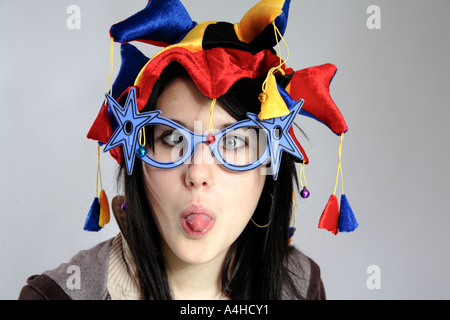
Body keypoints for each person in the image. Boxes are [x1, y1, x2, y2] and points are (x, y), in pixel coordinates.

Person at [19, 0, 353, 300]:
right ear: (138, 151)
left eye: (234, 142)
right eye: (173, 139)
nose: (197, 174)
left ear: (269, 166)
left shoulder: (301, 285)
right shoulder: (60, 296)